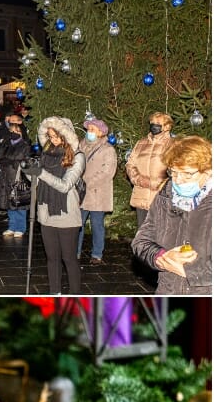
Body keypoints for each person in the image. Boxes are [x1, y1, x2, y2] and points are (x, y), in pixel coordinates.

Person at [131, 135, 211, 294]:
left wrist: (190, 272)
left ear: (207, 170)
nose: (179, 180)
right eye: (173, 172)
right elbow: (141, 241)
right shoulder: (166, 194)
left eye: (187, 173)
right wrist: (162, 257)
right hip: (168, 290)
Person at [29, 117, 87, 294]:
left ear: (66, 136)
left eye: (56, 136)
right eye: (50, 136)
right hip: (46, 211)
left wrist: (41, 173)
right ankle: (55, 293)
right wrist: (29, 172)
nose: (53, 140)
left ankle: (75, 295)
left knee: (69, 258)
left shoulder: (78, 157)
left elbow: (64, 185)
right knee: (52, 258)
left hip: (67, 213)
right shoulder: (47, 154)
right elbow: (38, 181)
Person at [76, 118, 117, 265]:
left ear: (101, 132)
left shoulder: (108, 149)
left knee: (97, 224)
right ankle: (75, 252)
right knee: (77, 223)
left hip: (97, 193)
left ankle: (97, 254)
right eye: (88, 129)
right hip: (81, 192)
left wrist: (87, 182)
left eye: (93, 130)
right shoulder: (81, 145)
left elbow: (107, 172)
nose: (89, 132)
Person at [126, 112, 175, 228]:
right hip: (141, 193)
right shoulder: (141, 143)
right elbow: (130, 164)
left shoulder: (173, 144)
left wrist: (159, 184)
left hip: (161, 196)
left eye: (158, 123)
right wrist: (138, 179)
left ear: (167, 126)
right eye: (152, 123)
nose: (154, 125)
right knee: (142, 234)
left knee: (160, 234)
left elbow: (177, 170)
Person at [0, 114, 31, 238]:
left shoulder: (25, 146)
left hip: (18, 179)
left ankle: (21, 228)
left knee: (19, 203)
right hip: (5, 178)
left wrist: (12, 162)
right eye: (12, 131)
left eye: (17, 131)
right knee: (9, 204)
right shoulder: (5, 144)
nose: (14, 133)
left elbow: (26, 162)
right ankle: (12, 226)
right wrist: (0, 162)